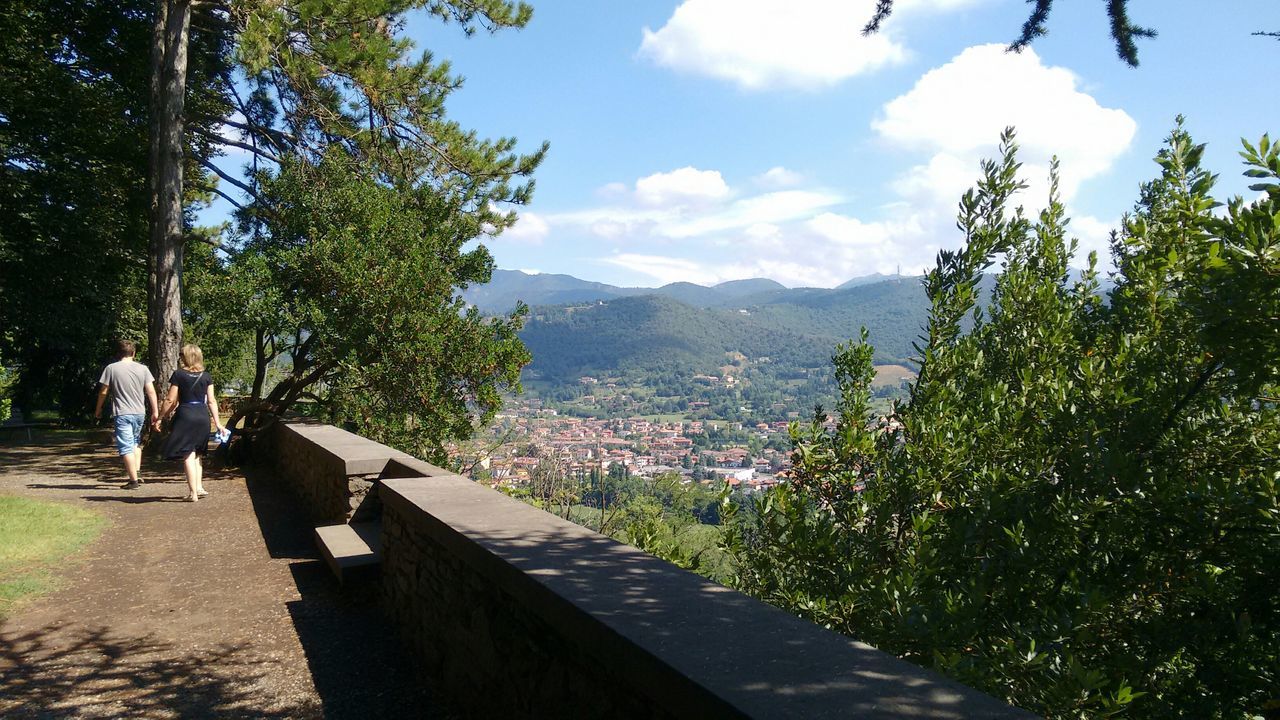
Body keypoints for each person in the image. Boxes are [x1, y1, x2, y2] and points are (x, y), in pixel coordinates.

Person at [158, 344, 226, 502]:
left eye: (182, 354)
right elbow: (211, 401)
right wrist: (218, 423)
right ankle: (199, 487)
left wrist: (161, 416)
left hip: (186, 415)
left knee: (188, 453)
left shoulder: (179, 375)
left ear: (186, 357)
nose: (180, 357)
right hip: (202, 415)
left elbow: (170, 399)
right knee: (198, 453)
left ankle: (193, 493)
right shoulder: (206, 376)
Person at [95, 339, 160, 489]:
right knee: (135, 443)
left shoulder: (111, 368)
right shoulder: (143, 369)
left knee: (125, 446)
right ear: (134, 353)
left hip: (122, 412)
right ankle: (137, 473)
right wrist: (155, 411)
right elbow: (150, 391)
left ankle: (133, 481)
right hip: (139, 412)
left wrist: (98, 409)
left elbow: (103, 392)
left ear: (118, 353)